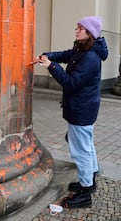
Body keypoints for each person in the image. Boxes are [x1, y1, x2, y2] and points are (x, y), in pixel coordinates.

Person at [34, 16, 108, 209]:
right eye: (77, 27)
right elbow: (66, 55)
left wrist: (51, 66)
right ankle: (89, 177)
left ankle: (85, 192)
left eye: (80, 28)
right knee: (86, 144)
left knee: (80, 149)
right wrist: (47, 55)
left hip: (81, 109)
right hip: (85, 107)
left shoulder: (91, 57)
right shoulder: (83, 48)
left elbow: (71, 83)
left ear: (89, 33)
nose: (76, 30)